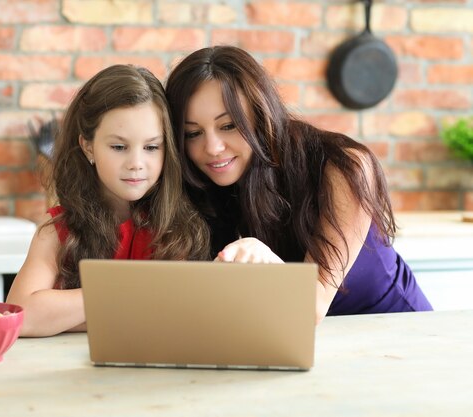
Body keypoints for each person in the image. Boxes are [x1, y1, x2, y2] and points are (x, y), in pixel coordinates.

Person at [165, 45, 432, 323]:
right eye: (192, 133)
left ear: (260, 113)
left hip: (398, 331)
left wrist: (262, 257)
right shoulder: (202, 188)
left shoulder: (343, 167)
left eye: (229, 125)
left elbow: (312, 305)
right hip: (309, 345)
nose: (212, 147)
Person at [7, 64, 210, 337]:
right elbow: (21, 315)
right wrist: (128, 290)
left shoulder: (179, 224)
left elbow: (174, 314)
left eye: (151, 147)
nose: (136, 163)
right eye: (119, 147)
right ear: (88, 145)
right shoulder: (58, 227)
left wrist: (68, 317)